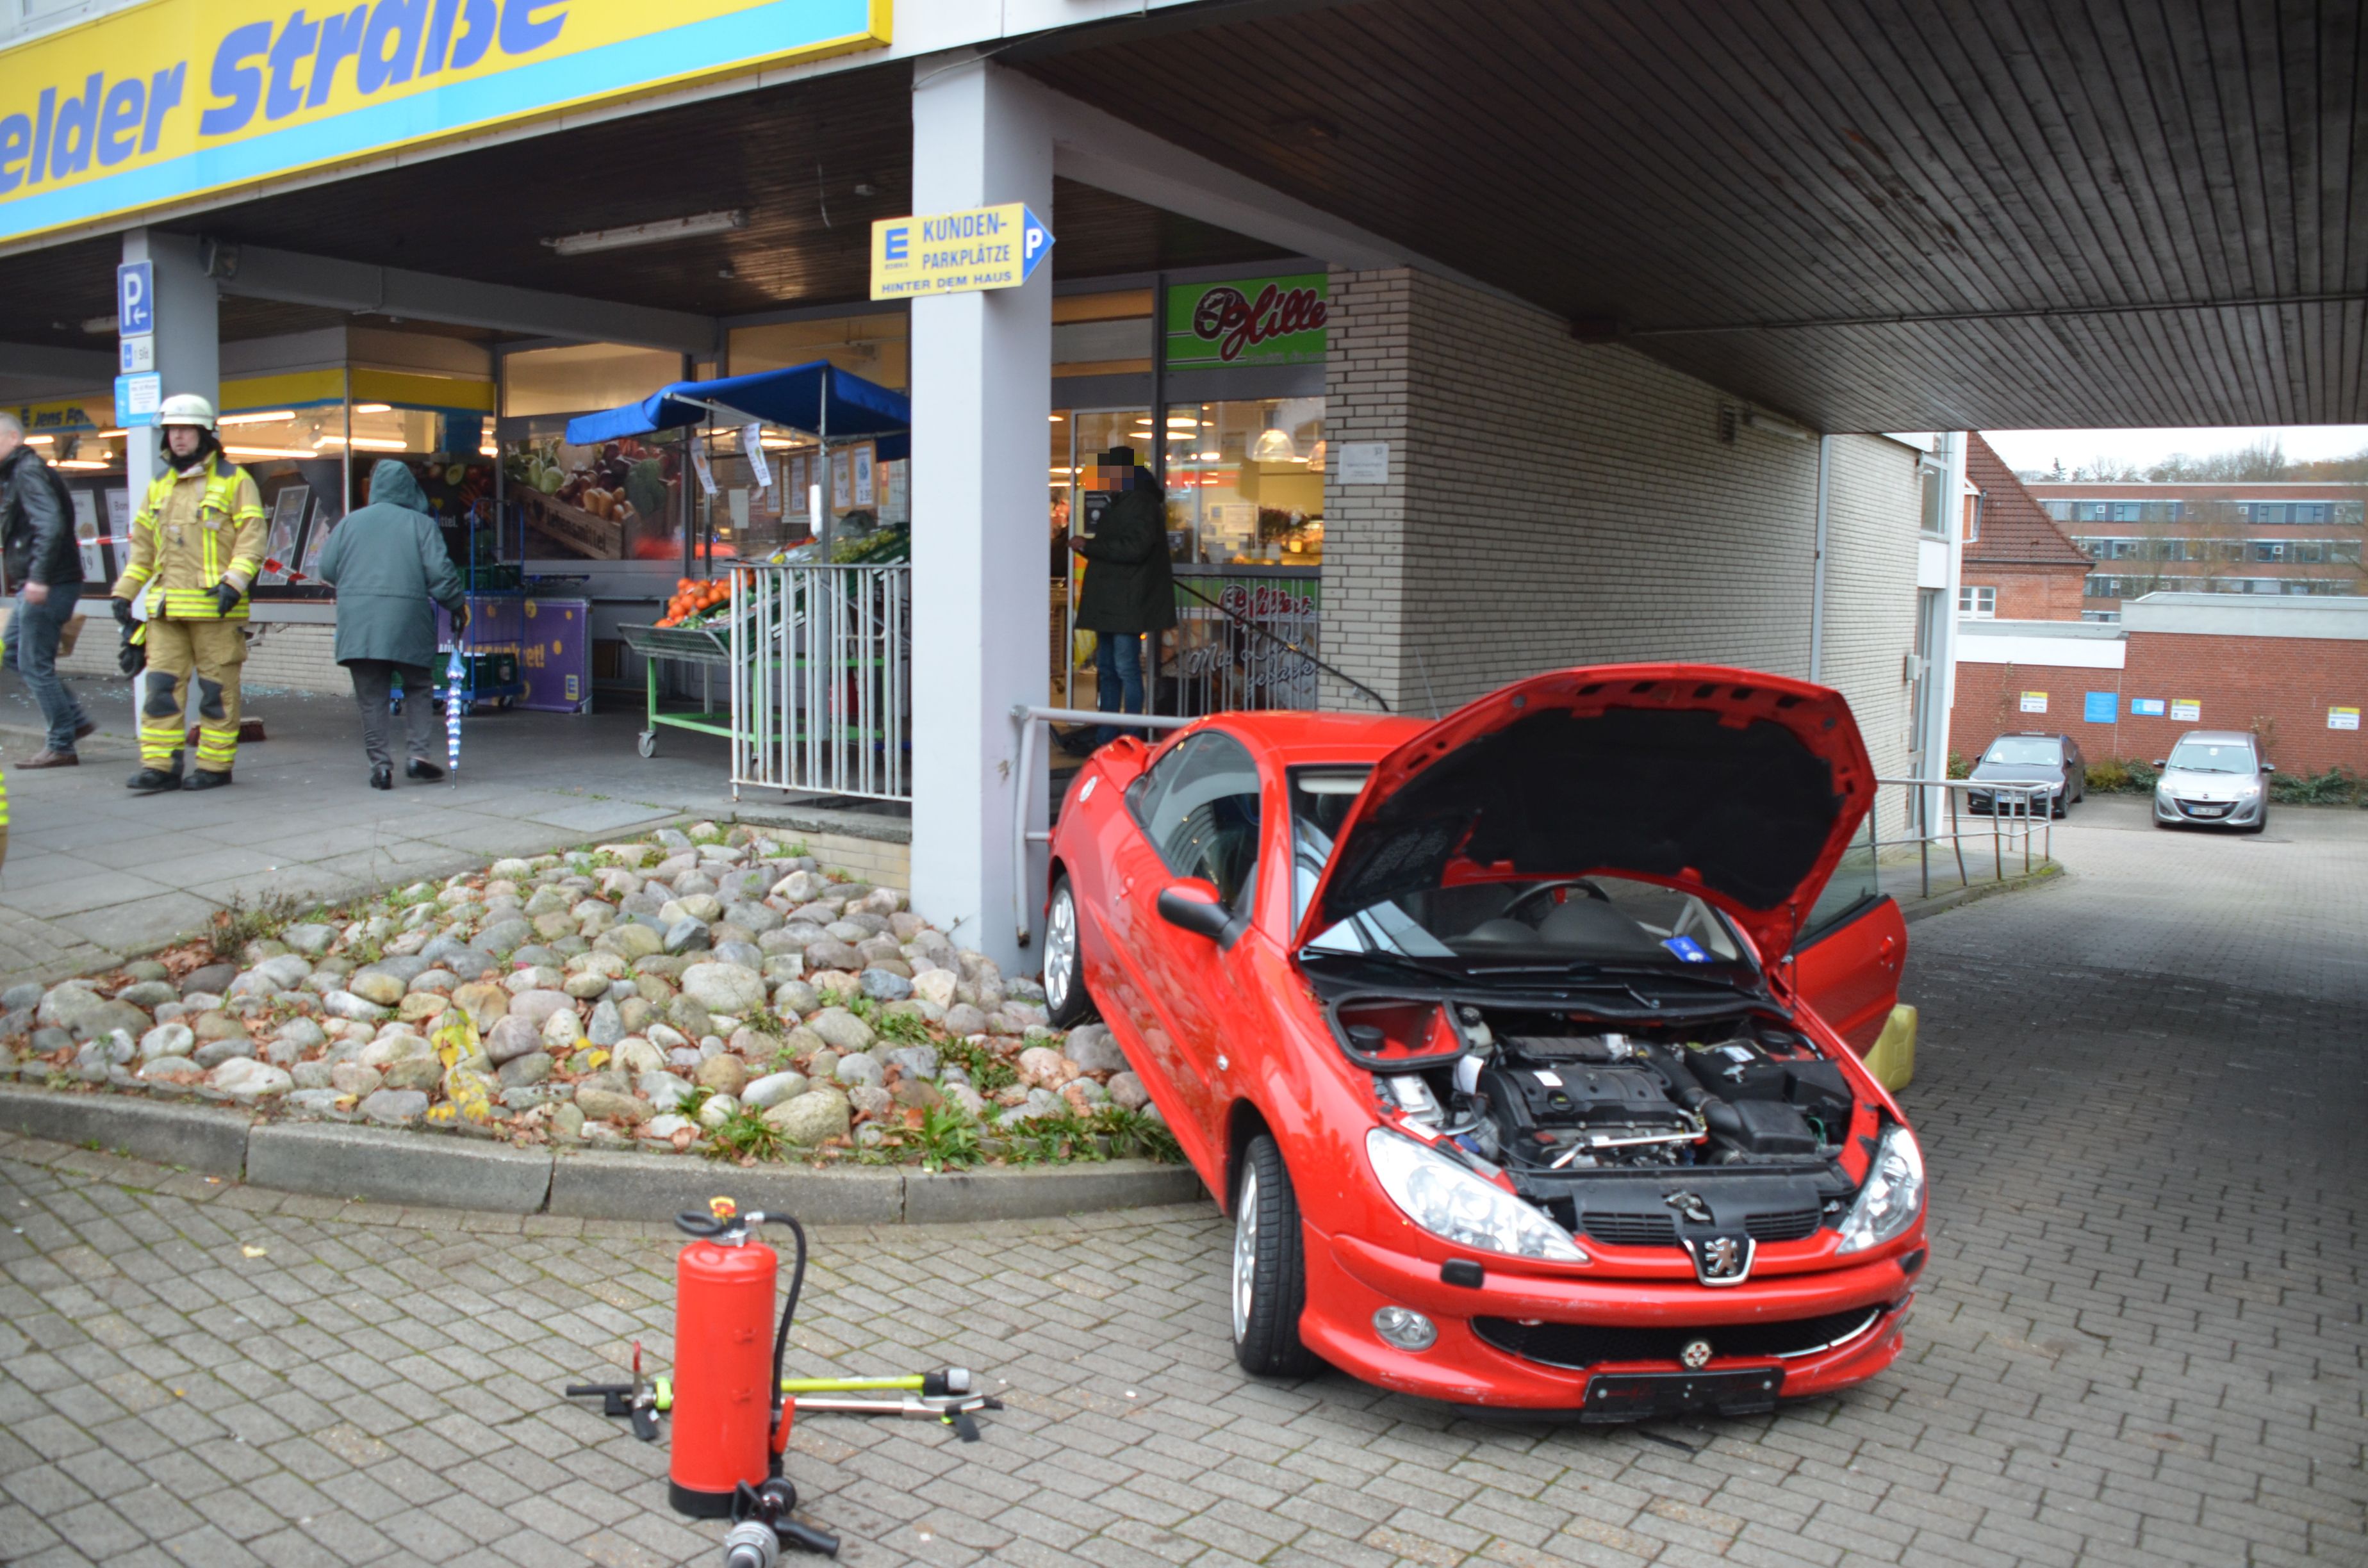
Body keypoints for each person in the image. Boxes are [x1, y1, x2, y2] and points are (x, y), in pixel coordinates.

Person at [110, 395, 266, 794]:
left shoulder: (235, 481)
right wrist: (123, 593)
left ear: (204, 434)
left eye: (185, 429)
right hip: (166, 612)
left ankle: (214, 767)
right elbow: (143, 550)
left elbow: (252, 541)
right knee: (161, 690)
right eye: (172, 430)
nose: (177, 437)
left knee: (217, 693)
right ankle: (160, 767)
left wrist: (233, 583)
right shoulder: (160, 486)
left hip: (216, 609)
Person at [317, 459, 467, 789]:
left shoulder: (349, 523)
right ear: (409, 488)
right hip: (407, 622)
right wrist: (457, 606)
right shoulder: (421, 524)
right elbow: (441, 576)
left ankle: (380, 767)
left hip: (359, 624)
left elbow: (326, 569)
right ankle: (418, 756)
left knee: (371, 697)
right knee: (418, 685)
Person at [1, 412, 94, 768]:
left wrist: (39, 577)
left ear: (12, 438)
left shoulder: (27, 472)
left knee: (32, 662)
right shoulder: (19, 473)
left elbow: (50, 523)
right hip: (42, 581)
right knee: (13, 653)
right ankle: (74, 721)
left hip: (48, 582)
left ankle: (61, 744)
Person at [1069, 446, 1175, 746]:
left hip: (1125, 600)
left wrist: (1089, 547)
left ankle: (1128, 733)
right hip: (1117, 601)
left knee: (1122, 668)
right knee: (1112, 667)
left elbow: (1134, 548)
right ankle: (1112, 732)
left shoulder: (1137, 502)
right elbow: (1129, 546)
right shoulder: (1130, 500)